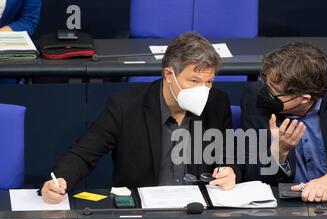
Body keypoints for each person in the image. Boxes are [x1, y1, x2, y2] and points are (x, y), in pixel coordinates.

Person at [41, 32, 241, 204]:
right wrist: (60, 179)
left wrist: (231, 171)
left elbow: (229, 156)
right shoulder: (126, 107)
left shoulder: (217, 103)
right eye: (194, 81)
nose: (202, 90)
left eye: (209, 82)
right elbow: (83, 154)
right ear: (169, 75)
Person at [241, 42, 327, 202]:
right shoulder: (254, 99)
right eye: (266, 84)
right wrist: (278, 153)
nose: (265, 93)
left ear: (303, 98)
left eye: (274, 92)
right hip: (284, 206)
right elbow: (250, 175)